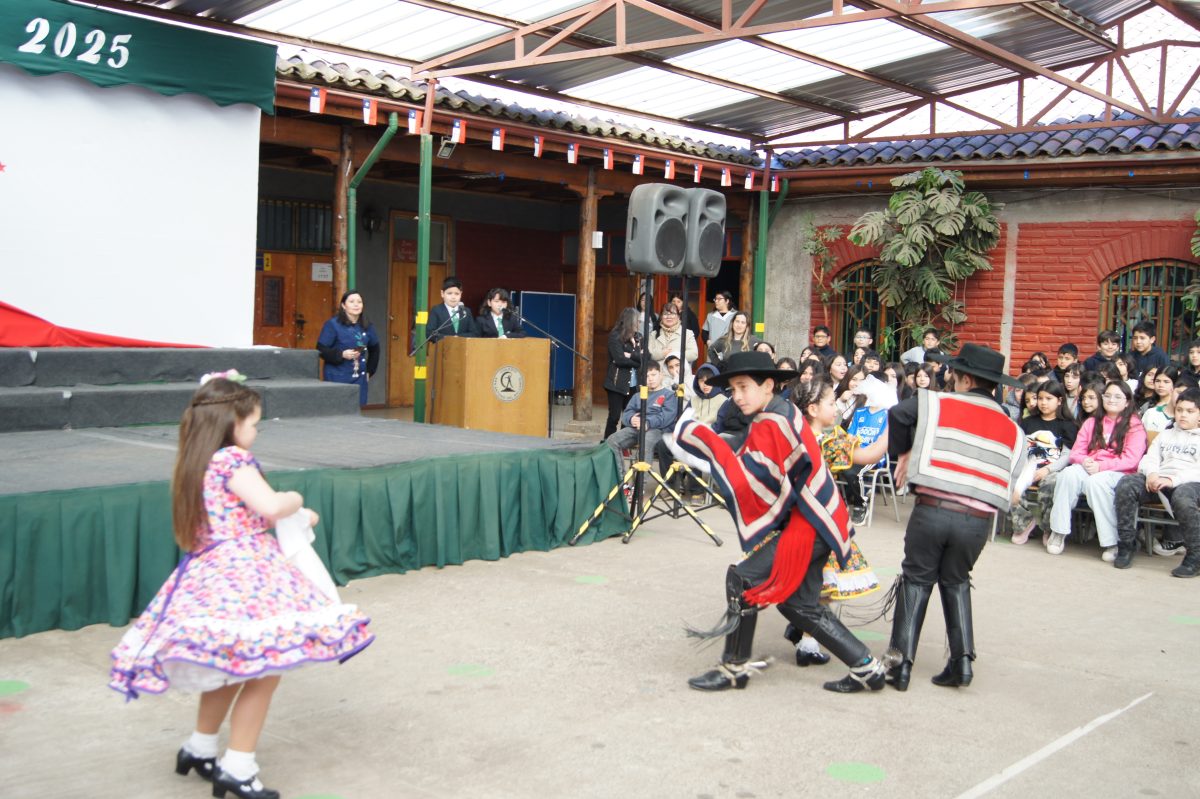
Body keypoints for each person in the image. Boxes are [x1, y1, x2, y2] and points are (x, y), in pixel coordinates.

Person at [108, 375, 374, 799]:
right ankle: (238, 766)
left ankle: (199, 746)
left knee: (232, 664)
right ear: (231, 422)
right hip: (247, 573)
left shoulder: (196, 461)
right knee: (265, 669)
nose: (256, 432)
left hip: (210, 571)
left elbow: (237, 514)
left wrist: (288, 516)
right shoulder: (233, 460)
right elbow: (268, 505)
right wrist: (294, 500)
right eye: (254, 424)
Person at [673, 351, 888, 694]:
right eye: (733, 389)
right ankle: (867, 667)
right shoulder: (773, 416)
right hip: (820, 519)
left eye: (743, 387)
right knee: (798, 605)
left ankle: (734, 667)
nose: (738, 396)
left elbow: (749, 476)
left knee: (743, 581)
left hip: (810, 523)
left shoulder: (776, 420)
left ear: (769, 385)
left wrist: (696, 438)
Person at [885, 344, 1024, 691]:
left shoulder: (936, 402)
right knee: (957, 580)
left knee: (916, 580)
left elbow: (898, 416)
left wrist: (903, 453)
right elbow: (1014, 474)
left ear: (963, 379)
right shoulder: (1013, 429)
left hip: (932, 510)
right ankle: (962, 663)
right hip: (977, 522)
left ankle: (900, 665)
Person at [783, 376, 886, 665]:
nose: (836, 408)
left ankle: (802, 631)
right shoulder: (828, 438)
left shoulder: (791, 434)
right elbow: (868, 455)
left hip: (793, 517)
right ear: (813, 409)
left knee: (806, 580)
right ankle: (807, 640)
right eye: (831, 403)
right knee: (824, 585)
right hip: (822, 520)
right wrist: (892, 426)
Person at [1045, 380, 1147, 559]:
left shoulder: (1134, 425)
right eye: (1107, 395)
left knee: (1096, 482)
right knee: (1068, 474)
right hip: (1091, 466)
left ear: (1128, 401)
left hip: (1119, 472)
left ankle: (1111, 542)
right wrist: (1086, 461)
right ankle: (1058, 532)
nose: (1111, 400)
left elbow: (1132, 460)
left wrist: (1102, 466)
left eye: (1117, 396)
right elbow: (1076, 452)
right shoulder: (1092, 422)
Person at [1113, 387, 1200, 575]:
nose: (1183, 415)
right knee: (1127, 485)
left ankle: (1195, 556)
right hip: (1158, 479)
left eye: (1190, 411)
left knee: (1183, 497)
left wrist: (1171, 479)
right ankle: (1127, 544)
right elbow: (1150, 458)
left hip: (1190, 482)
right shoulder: (1167, 433)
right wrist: (1152, 474)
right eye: (1179, 410)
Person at [1009, 381, 1079, 545]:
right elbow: (1021, 449)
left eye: (1049, 398)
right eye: (1040, 398)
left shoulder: (1068, 425)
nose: (1043, 402)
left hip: (1053, 469)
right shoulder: (1028, 422)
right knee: (1009, 482)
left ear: (1060, 401)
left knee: (1051, 484)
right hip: (1028, 466)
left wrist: (1048, 470)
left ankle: (1049, 527)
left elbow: (1067, 455)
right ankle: (1023, 523)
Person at [316, 290, 381, 407]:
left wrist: (369, 371)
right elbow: (321, 349)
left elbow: (375, 349)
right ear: (343, 305)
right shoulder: (333, 325)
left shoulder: (367, 326)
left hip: (358, 376)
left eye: (359, 302)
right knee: (337, 409)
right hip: (337, 376)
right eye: (351, 302)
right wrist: (341, 354)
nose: (356, 304)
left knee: (356, 410)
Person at [605, 362, 678, 464]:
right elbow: (626, 414)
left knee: (645, 441)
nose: (650, 379)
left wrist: (647, 422)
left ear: (661, 375)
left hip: (658, 430)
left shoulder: (669, 395)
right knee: (611, 440)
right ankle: (621, 477)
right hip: (636, 428)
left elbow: (666, 417)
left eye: (653, 375)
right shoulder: (637, 395)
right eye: (647, 376)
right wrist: (631, 419)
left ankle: (641, 478)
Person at [602, 308, 644, 440]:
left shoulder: (638, 337)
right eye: (637, 320)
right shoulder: (615, 336)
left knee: (628, 416)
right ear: (629, 321)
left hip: (633, 383)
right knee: (614, 416)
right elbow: (619, 359)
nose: (639, 323)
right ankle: (607, 444)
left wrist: (631, 355)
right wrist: (637, 360)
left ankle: (622, 443)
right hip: (616, 382)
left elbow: (646, 358)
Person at [427, 277, 480, 342]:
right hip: (443, 349)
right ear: (442, 293)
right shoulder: (436, 310)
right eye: (449, 293)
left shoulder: (466, 311)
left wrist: (458, 337)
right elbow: (429, 333)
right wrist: (450, 339)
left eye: (456, 294)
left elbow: (474, 333)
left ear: (461, 294)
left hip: (462, 349)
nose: (453, 297)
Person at [1141, 366, 1180, 433]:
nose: (1161, 385)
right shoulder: (1147, 406)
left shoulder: (1179, 406)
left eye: (1166, 382)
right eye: (1158, 381)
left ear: (1175, 384)